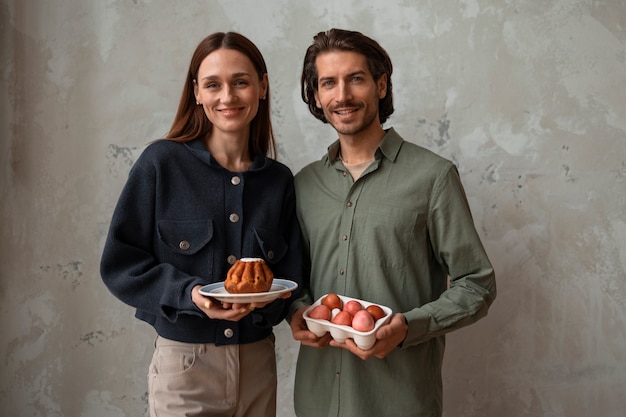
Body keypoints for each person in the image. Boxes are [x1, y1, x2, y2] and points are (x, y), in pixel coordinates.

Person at [288, 28, 497, 417]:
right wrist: (296, 311)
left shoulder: (433, 177)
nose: (343, 95)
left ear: (380, 85)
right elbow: (294, 276)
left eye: (356, 79)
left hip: (398, 402)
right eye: (328, 83)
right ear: (317, 96)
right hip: (315, 401)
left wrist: (409, 327)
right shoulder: (303, 185)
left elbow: (477, 284)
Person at [100, 32, 303, 417]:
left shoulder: (279, 181)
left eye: (240, 82)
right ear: (196, 92)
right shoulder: (161, 164)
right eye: (213, 85)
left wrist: (277, 304)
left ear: (262, 86)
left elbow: (291, 276)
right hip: (185, 368)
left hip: (258, 365)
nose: (227, 97)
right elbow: (120, 265)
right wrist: (189, 294)